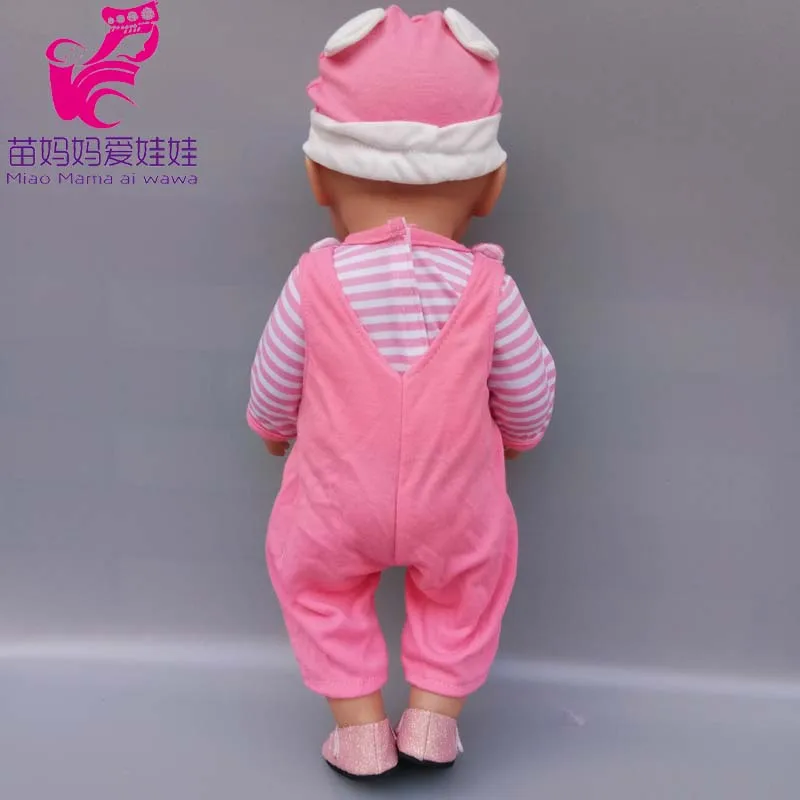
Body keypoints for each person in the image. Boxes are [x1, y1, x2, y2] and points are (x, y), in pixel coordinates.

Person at [247, 6, 556, 780]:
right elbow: (527, 385)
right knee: (468, 587)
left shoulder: (314, 279)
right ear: (491, 186)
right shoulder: (490, 287)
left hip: (333, 498)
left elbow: (275, 374)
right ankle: (432, 724)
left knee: (316, 586)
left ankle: (359, 734)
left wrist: (271, 427)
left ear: (317, 178)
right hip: (457, 500)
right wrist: (521, 437)